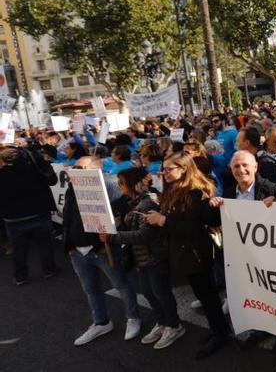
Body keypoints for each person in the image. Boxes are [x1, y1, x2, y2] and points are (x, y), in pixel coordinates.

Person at [143, 152, 229, 359]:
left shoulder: (195, 193)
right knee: (204, 295)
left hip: (196, 254)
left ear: (184, 169)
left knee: (208, 297)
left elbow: (191, 228)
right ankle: (218, 330)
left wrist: (162, 220)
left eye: (169, 169)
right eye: (163, 169)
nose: (164, 173)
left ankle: (220, 334)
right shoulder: (176, 190)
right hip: (184, 254)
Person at [100, 167, 185, 349]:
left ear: (133, 184)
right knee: (148, 292)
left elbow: (143, 235)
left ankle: (174, 325)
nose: (119, 185)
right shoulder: (133, 202)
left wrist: (113, 237)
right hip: (142, 257)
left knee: (161, 293)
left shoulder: (147, 203)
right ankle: (162, 322)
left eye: (122, 182)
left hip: (155, 256)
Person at [65, 156, 142, 347]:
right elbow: (67, 217)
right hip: (78, 250)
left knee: (121, 284)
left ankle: (133, 317)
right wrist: (69, 245)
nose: (76, 171)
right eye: (74, 167)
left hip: (102, 248)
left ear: (96, 169)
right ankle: (101, 322)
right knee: (91, 289)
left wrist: (112, 235)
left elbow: (123, 212)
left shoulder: (110, 186)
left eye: (81, 168)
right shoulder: (71, 188)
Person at [0, 145, 59, 286]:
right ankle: (49, 270)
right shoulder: (35, 169)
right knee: (45, 244)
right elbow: (52, 179)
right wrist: (38, 160)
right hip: (39, 213)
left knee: (18, 249)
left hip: (13, 219)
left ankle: (20, 276)